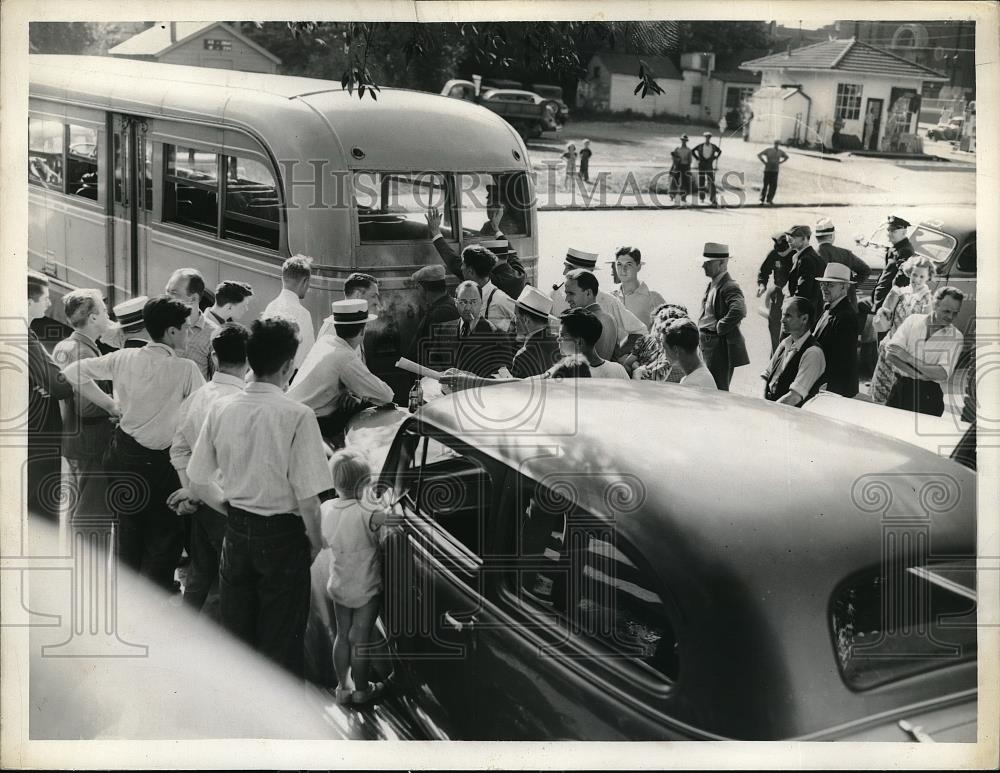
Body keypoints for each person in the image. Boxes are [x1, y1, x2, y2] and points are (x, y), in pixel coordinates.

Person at [182, 317, 333, 677]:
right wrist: (315, 543)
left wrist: (230, 509)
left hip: (236, 533)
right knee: (280, 644)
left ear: (250, 362)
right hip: (283, 538)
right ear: (287, 367)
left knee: (237, 640)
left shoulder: (221, 408)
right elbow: (310, 499)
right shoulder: (298, 415)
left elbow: (198, 479)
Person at [61, 296, 204, 591]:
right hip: (162, 465)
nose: (190, 333)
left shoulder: (123, 358)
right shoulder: (186, 370)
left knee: (127, 531)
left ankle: (126, 599)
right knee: (164, 537)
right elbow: (205, 413)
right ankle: (152, 605)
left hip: (123, 456)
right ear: (172, 332)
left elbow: (72, 372)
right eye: (187, 328)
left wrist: (112, 405)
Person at [168, 322, 249, 615]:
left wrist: (191, 491)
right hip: (232, 506)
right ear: (249, 359)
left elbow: (178, 449)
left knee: (200, 575)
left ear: (213, 357)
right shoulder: (244, 404)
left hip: (201, 503)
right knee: (231, 585)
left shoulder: (196, 398)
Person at [322, 450, 388, 706]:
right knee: (360, 638)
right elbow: (394, 519)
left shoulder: (327, 510)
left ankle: (343, 688)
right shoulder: (367, 512)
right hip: (366, 587)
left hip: (339, 585)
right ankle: (362, 690)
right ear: (365, 482)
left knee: (342, 635)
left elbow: (325, 540)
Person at [288, 299, 394, 441]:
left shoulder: (324, 341)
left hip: (291, 415)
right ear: (363, 330)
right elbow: (386, 395)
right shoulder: (345, 358)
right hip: (308, 425)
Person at [52, 289, 114, 521]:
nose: (109, 316)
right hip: (92, 441)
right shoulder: (83, 351)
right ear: (93, 318)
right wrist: (115, 405)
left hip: (75, 439)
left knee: (77, 510)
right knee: (92, 513)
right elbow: (87, 406)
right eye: (105, 311)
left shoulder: (65, 346)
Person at [26, 271, 77, 521]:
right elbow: (60, 386)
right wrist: (49, 384)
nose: (48, 303)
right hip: (37, 438)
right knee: (42, 506)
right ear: (27, 302)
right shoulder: (26, 338)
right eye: (45, 298)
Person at [883, 287, 965, 417]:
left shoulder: (956, 337)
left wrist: (908, 358)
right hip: (899, 389)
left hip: (928, 396)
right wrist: (918, 375)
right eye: (947, 311)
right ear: (935, 304)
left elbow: (942, 374)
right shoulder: (912, 320)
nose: (951, 317)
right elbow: (890, 355)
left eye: (955, 313)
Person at [869, 255, 936, 404]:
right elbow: (886, 320)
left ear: (928, 277)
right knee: (881, 396)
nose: (917, 279)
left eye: (922, 276)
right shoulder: (900, 292)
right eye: (914, 274)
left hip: (907, 354)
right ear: (909, 272)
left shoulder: (926, 299)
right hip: (890, 349)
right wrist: (886, 338)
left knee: (899, 397)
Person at [424, 207, 527, 301]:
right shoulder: (520, 274)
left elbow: (456, 264)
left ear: (493, 258)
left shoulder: (493, 280)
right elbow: (513, 254)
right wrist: (497, 230)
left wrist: (436, 233)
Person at [550, 248, 647, 346]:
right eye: (566, 267)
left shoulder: (609, 301)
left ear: (588, 272)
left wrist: (620, 356)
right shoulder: (555, 296)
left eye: (570, 268)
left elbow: (640, 331)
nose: (564, 272)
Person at [697, 243, 749, 391]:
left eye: (708, 263)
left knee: (717, 388)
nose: (703, 266)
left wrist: (720, 327)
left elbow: (739, 310)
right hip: (708, 343)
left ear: (722, 263)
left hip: (717, 345)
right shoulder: (714, 283)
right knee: (708, 385)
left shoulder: (729, 286)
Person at [437, 280, 513, 377]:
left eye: (473, 302)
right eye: (463, 302)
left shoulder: (498, 337)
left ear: (481, 302)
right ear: (455, 303)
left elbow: (502, 379)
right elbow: (434, 367)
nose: (468, 307)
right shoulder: (442, 330)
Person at [761, 297, 826, 406]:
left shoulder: (813, 353)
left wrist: (768, 411)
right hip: (771, 407)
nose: (782, 320)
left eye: (788, 316)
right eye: (783, 315)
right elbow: (766, 376)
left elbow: (794, 397)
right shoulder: (784, 343)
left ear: (804, 319)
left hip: (790, 416)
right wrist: (761, 400)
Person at [261, 254, 316, 374]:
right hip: (290, 379)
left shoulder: (270, 307)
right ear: (305, 281)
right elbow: (307, 359)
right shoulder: (303, 314)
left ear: (283, 278)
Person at [812, 263, 860, 398]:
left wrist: (830, 387)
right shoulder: (830, 309)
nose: (824, 288)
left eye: (830, 285)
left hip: (835, 390)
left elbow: (842, 360)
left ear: (844, 287)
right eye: (823, 284)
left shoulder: (845, 317)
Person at [403, 264, 461, 369]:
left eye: (417, 287)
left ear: (422, 287)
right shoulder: (450, 304)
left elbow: (438, 354)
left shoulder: (441, 313)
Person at [165, 268, 216, 381]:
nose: (166, 298)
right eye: (166, 292)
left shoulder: (213, 334)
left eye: (173, 293)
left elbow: (215, 382)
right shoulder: (158, 324)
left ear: (193, 298)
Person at [814, 218, 871, 311]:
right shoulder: (845, 254)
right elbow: (866, 270)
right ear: (832, 236)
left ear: (816, 237)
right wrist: (850, 286)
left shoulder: (811, 255)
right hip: (847, 306)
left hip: (820, 309)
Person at [556, 308, 629, 379]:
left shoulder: (565, 375)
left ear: (579, 342)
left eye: (562, 335)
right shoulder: (618, 370)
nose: (558, 339)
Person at [317, 272, 383, 350]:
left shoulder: (354, 324)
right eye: (373, 296)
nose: (377, 303)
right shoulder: (335, 330)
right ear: (358, 295)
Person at [563, 269, 618, 362]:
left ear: (588, 293)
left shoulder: (581, 321)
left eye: (571, 293)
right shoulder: (610, 319)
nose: (566, 299)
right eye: (566, 293)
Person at [629, 303, 689, 382]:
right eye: (656, 327)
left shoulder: (670, 358)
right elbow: (628, 363)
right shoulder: (645, 340)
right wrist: (636, 366)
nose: (658, 335)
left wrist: (637, 370)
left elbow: (648, 383)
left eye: (662, 330)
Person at [511, 286, 560, 378]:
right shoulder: (560, 343)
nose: (514, 320)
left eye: (516, 316)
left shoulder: (523, 357)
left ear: (526, 319)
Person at [610, 246, 666, 329]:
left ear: (638, 266)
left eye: (628, 264)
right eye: (619, 264)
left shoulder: (654, 298)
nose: (623, 269)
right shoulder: (611, 297)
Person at [757, 233, 794, 353]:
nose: (781, 255)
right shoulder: (773, 254)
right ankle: (774, 356)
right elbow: (764, 271)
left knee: (789, 329)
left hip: (793, 296)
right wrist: (762, 285)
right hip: (778, 295)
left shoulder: (796, 255)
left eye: (784, 252)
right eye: (779, 253)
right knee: (774, 327)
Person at [659, 318, 718, 390]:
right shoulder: (700, 375)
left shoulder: (692, 385)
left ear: (676, 350)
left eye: (664, 347)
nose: (661, 351)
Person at [872, 215, 915, 313]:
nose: (889, 234)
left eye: (893, 231)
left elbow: (901, 281)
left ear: (904, 232)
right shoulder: (893, 248)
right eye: (888, 230)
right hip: (879, 298)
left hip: (886, 302)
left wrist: (887, 304)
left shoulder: (905, 251)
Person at [784, 225, 825, 314]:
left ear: (804, 239)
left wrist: (790, 309)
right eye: (789, 236)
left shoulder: (805, 259)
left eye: (794, 237)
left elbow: (803, 292)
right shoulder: (813, 256)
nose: (789, 239)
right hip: (814, 310)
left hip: (803, 313)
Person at [692, 131, 721, 206]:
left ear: (710, 138)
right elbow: (693, 151)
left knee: (711, 181)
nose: (707, 139)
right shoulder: (700, 146)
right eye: (706, 137)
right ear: (704, 138)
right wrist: (697, 158)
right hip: (701, 165)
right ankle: (702, 197)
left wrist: (715, 157)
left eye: (709, 137)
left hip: (709, 166)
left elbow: (719, 151)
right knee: (701, 181)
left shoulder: (713, 146)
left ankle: (713, 199)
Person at [756, 140, 788, 205]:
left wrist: (780, 162)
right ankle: (762, 200)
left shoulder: (780, 152)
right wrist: (764, 162)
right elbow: (759, 155)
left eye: (778, 144)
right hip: (767, 170)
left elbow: (786, 157)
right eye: (776, 144)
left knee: (773, 186)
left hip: (775, 171)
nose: (777, 145)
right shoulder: (769, 150)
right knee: (765, 185)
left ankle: (769, 199)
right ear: (774, 144)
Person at [669, 134, 693, 205]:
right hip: (678, 166)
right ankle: (672, 196)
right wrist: (672, 167)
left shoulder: (689, 150)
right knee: (675, 181)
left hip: (685, 166)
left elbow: (690, 161)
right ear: (681, 140)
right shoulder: (677, 149)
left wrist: (689, 169)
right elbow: (674, 159)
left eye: (685, 140)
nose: (683, 142)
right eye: (682, 140)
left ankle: (683, 197)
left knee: (685, 182)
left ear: (686, 141)